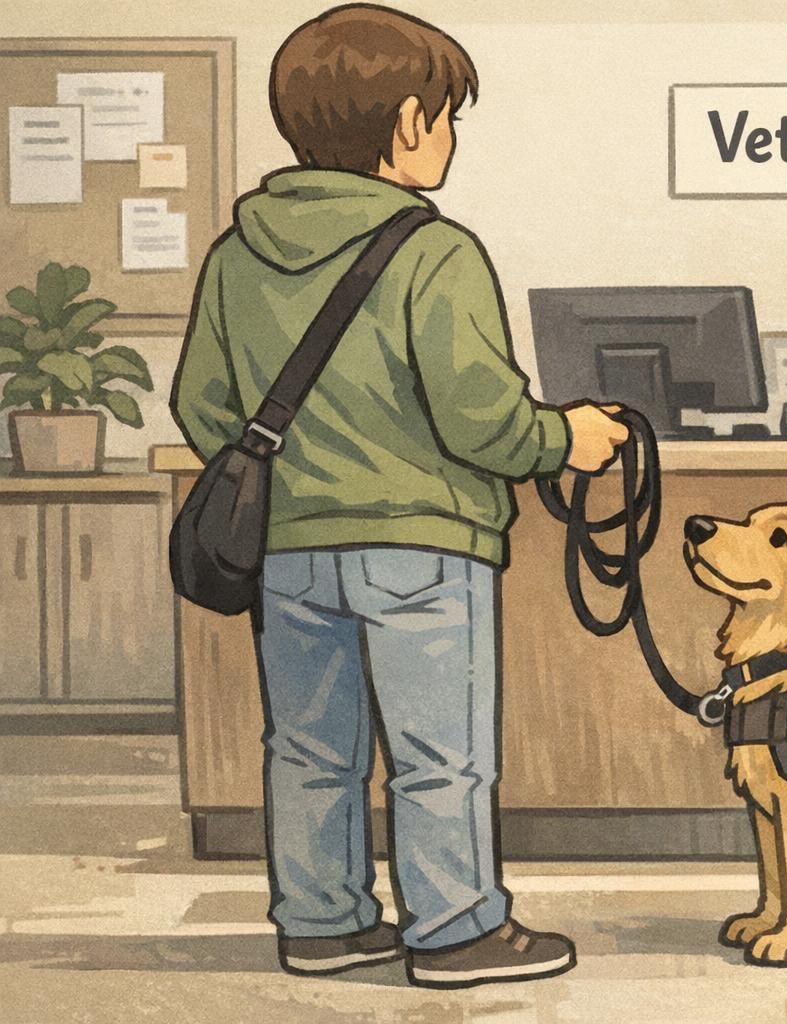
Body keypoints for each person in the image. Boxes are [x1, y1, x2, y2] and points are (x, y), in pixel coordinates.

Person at [171, 4, 627, 988]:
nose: (450, 135)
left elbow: (203, 404)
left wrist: (303, 481)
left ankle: (322, 924)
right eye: (447, 115)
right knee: (438, 753)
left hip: (287, 551)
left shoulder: (237, 253)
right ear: (408, 121)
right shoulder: (433, 251)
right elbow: (482, 421)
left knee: (308, 751)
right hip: (424, 546)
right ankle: (456, 931)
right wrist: (568, 439)